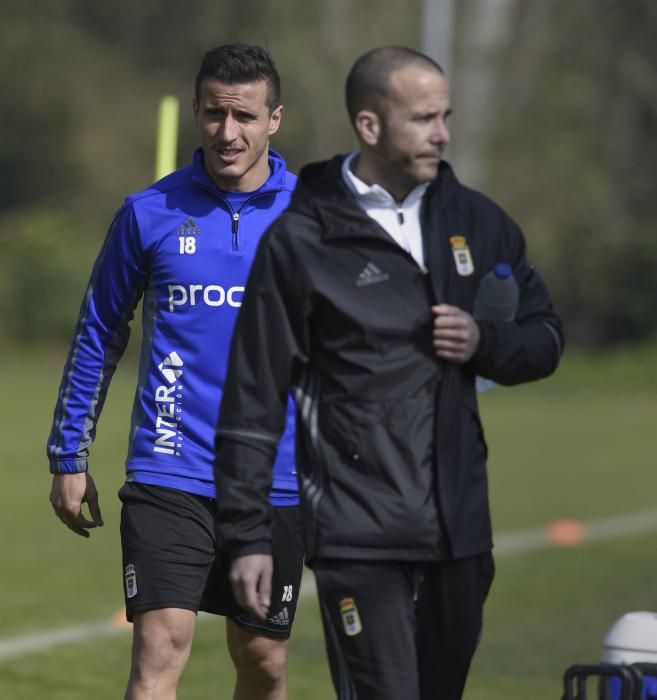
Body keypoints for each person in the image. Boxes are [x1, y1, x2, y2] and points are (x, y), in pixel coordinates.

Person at [213, 46, 564, 700]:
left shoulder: (476, 222)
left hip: (460, 534)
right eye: (424, 118)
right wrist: (247, 536)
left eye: (445, 116)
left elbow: (543, 338)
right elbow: (252, 398)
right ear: (370, 126)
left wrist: (484, 342)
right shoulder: (301, 238)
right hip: (356, 535)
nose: (443, 134)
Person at [47, 44, 304, 700]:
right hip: (170, 466)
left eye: (244, 115)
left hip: (272, 479)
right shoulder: (147, 212)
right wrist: (68, 455)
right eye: (214, 113)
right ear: (196, 111)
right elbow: (99, 332)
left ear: (274, 119)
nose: (227, 131)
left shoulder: (315, 219)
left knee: (263, 661)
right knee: (160, 648)